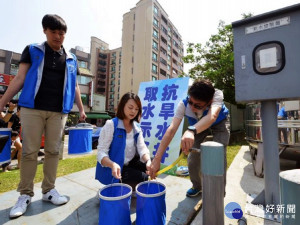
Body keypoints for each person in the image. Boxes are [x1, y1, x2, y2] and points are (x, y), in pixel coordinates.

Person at [0, 14, 86, 218]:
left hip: (59, 111)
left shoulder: (71, 58)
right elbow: (20, 77)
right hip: (32, 108)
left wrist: (81, 109)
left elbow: (74, 86)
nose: (58, 36)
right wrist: (2, 102)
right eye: (53, 32)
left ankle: (48, 190)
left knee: (53, 151)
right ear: (45, 31)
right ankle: (25, 195)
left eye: (62, 33)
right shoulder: (33, 50)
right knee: (29, 151)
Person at [149, 79, 230, 197]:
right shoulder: (183, 104)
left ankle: (218, 191)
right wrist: (157, 159)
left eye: (197, 105)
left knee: (218, 155)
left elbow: (212, 116)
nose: (192, 107)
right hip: (197, 125)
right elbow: (171, 130)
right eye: (190, 102)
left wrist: (191, 130)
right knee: (192, 159)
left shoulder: (217, 95)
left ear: (209, 101)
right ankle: (197, 186)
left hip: (219, 121)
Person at [96, 92, 151, 190]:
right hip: (116, 166)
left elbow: (142, 148)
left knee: (153, 165)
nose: (133, 111)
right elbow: (101, 152)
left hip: (130, 163)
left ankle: (129, 186)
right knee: (143, 178)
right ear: (122, 106)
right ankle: (115, 187)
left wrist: (148, 161)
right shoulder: (111, 125)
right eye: (130, 107)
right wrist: (112, 164)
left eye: (136, 109)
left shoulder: (136, 127)